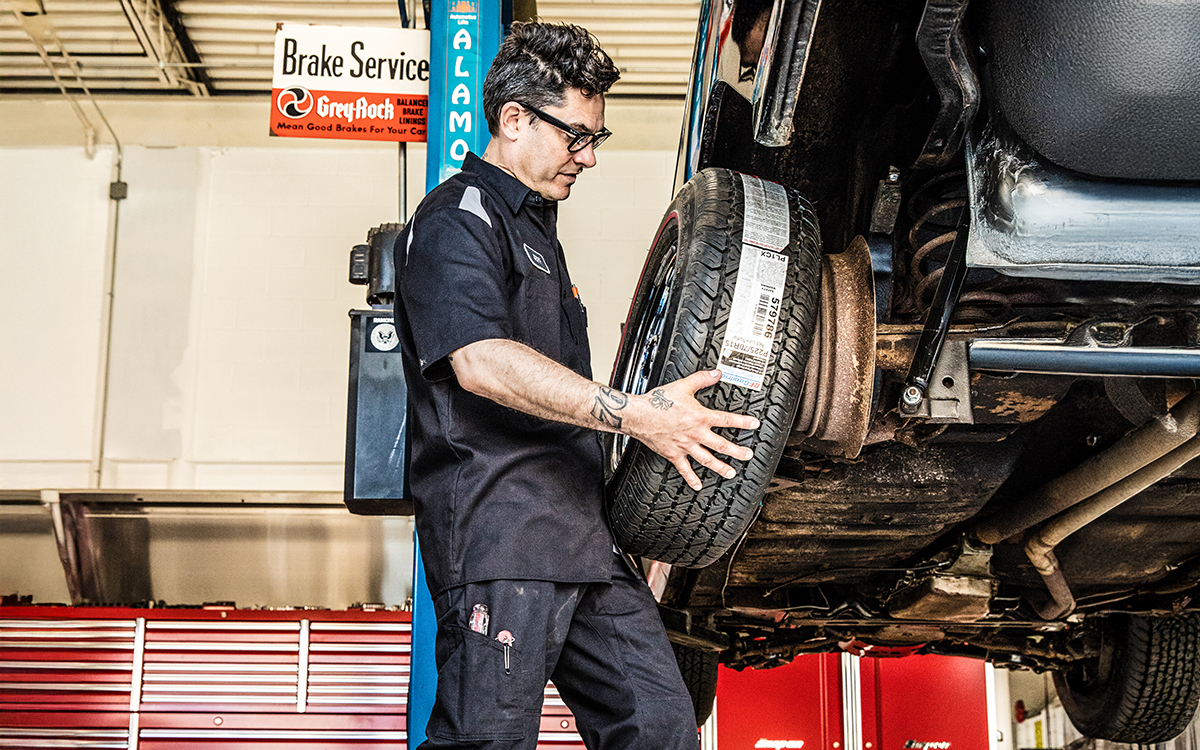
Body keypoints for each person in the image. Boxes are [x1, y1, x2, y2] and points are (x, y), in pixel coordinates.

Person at [393, 21, 760, 750]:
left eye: (597, 136)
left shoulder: (537, 233)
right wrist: (638, 416)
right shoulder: (456, 220)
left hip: (585, 548)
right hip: (503, 541)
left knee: (662, 730)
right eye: (576, 136)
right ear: (515, 119)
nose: (588, 157)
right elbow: (481, 361)